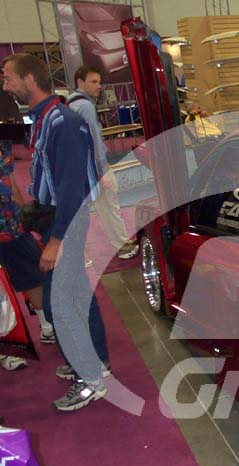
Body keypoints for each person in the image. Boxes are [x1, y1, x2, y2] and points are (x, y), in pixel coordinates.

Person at [2, 53, 110, 411]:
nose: (6, 85)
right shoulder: (46, 118)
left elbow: (71, 188)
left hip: (66, 221)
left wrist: (57, 239)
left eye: (9, 78)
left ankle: (90, 379)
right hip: (58, 219)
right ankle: (92, 364)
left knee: (60, 305)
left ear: (29, 79)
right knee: (74, 296)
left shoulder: (61, 121)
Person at [67, 65, 139, 261]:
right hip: (93, 167)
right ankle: (122, 246)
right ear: (80, 82)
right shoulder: (85, 106)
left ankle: (80, 255)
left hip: (78, 165)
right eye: (93, 82)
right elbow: (94, 140)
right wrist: (102, 169)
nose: (98, 86)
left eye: (99, 82)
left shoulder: (69, 103)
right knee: (109, 206)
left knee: (86, 211)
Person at [0, 128, 56, 372]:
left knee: (34, 274)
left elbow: (10, 183)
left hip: (10, 226)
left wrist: (24, 217)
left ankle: (47, 326)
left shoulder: (2, 148)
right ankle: (7, 346)